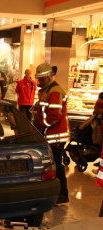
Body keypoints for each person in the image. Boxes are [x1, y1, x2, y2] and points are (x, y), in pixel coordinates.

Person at [34, 63, 71, 205]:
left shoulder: (54, 91)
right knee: (54, 164)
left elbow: (54, 116)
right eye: (39, 79)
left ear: (49, 76)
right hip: (51, 134)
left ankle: (63, 194)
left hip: (56, 135)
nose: (40, 82)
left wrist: (41, 126)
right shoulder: (46, 90)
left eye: (42, 79)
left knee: (57, 165)